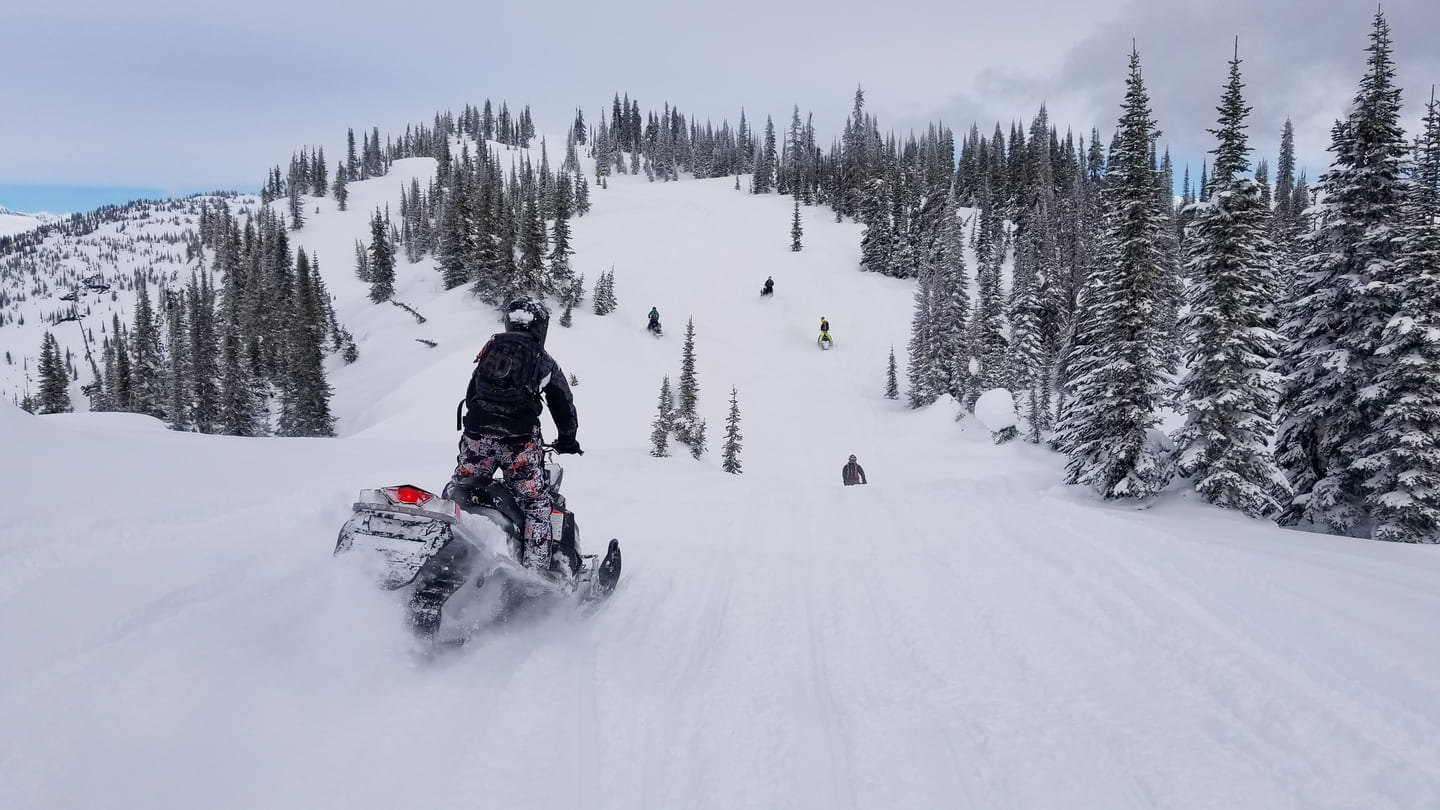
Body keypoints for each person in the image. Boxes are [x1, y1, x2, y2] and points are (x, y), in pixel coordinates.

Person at [452, 296, 581, 575]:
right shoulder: (542, 360)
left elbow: (472, 393)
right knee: (536, 503)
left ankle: (450, 548)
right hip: (518, 441)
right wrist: (568, 439)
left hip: (477, 435)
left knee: (464, 487)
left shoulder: (491, 350)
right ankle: (534, 572)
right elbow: (562, 403)